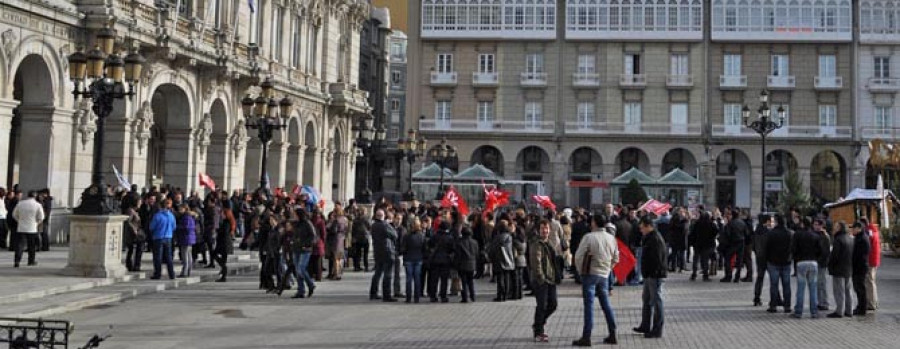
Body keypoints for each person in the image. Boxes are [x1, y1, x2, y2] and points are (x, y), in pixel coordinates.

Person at [572, 214, 619, 347]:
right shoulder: (611, 238)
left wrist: (581, 271)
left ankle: (587, 336)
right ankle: (613, 332)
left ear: (594, 223)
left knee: (589, 306)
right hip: (604, 275)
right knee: (606, 304)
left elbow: (579, 256)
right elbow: (616, 258)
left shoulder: (589, 237)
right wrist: (608, 268)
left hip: (590, 274)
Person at [634, 216, 667, 339]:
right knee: (647, 300)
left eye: (642, 228)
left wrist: (651, 273)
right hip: (648, 275)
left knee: (656, 301)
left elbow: (658, 259)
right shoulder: (648, 237)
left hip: (655, 275)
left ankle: (657, 329)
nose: (641, 230)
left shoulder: (655, 239)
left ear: (648, 226)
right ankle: (645, 325)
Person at [530, 219, 559, 343]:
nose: (545, 231)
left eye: (546, 228)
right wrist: (541, 277)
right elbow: (536, 262)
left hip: (551, 278)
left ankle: (539, 322)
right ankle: (538, 332)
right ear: (538, 230)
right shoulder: (537, 244)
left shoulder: (549, 243)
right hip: (541, 280)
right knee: (541, 305)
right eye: (542, 228)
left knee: (553, 304)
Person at [791, 217, 824, 318]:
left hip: (801, 263)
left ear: (802, 224)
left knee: (800, 288)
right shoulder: (816, 236)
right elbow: (820, 250)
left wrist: (796, 259)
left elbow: (793, 249)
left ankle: (798, 312)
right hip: (813, 263)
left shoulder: (797, 235)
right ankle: (814, 312)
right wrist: (816, 259)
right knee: (813, 288)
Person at [766, 214, 793, 313]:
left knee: (774, 285)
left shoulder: (771, 233)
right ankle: (787, 306)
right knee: (786, 284)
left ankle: (773, 306)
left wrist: (767, 259)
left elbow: (767, 247)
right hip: (786, 262)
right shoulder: (790, 233)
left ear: (777, 222)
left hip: (773, 262)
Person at [369, 209, 398, 302]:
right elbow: (395, 235)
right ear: (383, 216)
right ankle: (387, 295)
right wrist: (389, 224)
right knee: (387, 274)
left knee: (378, 272)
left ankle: (373, 293)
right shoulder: (385, 225)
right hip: (387, 251)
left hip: (377, 251)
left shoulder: (373, 225)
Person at [11, 191, 45, 268]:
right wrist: (37, 223)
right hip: (32, 227)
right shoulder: (37, 205)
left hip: (21, 227)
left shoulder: (20, 204)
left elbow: (14, 214)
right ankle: (31, 261)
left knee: (19, 245)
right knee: (31, 245)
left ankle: (17, 261)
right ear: (35, 196)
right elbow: (41, 217)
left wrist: (19, 220)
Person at [827, 222, 854, 318]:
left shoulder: (838, 240)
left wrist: (830, 265)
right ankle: (849, 310)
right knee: (848, 290)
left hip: (838, 269)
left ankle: (839, 311)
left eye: (836, 226)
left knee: (839, 291)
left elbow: (835, 255)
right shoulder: (850, 238)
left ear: (839, 228)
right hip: (849, 268)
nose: (834, 228)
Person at [291, 210, 318, 299]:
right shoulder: (295, 224)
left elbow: (313, 236)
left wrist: (305, 244)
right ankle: (301, 290)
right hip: (296, 248)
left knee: (301, 268)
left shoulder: (307, 223)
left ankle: (310, 284)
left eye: (295, 214)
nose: (293, 216)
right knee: (297, 270)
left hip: (305, 249)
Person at [149, 199, 176, 280]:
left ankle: (157, 274)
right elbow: (174, 227)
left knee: (158, 257)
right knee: (168, 257)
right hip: (168, 237)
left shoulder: (157, 216)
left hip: (158, 237)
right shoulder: (171, 215)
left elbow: (152, 227)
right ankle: (171, 274)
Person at [401, 216, 426, 303]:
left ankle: (408, 298)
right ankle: (416, 298)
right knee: (417, 279)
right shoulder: (422, 236)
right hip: (418, 259)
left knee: (409, 279)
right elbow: (424, 248)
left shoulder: (407, 236)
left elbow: (403, 249)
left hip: (408, 258)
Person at [490, 221, 515, 302]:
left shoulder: (497, 238)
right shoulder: (509, 237)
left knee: (500, 278)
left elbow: (493, 248)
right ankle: (505, 295)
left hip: (499, 259)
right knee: (507, 278)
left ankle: (500, 295)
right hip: (508, 259)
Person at [720, 209, 748, 283]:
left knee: (728, 259)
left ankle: (728, 276)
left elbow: (727, 234)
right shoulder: (742, 223)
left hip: (732, 243)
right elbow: (746, 233)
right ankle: (737, 277)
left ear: (732, 215)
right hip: (741, 243)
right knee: (739, 261)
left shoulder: (730, 223)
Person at [689, 211, 718, 282]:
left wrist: (692, 242)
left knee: (696, 259)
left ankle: (694, 274)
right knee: (705, 260)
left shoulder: (697, 223)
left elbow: (692, 234)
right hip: (707, 245)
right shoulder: (711, 224)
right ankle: (705, 275)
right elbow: (716, 231)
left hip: (697, 244)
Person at [753, 214, 773, 306]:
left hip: (759, 257)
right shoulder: (768, 232)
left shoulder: (757, 231)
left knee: (759, 278)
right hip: (768, 258)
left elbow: (753, 246)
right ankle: (776, 298)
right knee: (774, 279)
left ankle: (757, 297)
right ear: (767, 221)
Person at [850, 221, 870, 316]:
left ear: (859, 228)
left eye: (854, 228)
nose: (852, 230)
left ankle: (862, 308)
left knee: (860, 288)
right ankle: (860, 306)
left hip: (860, 267)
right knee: (858, 288)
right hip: (858, 267)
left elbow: (860, 255)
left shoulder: (862, 239)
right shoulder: (858, 238)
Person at [455, 226, 479, 303]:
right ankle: (473, 296)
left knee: (464, 282)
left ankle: (465, 297)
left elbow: (458, 255)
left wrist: (456, 264)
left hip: (462, 264)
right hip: (472, 264)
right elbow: (476, 253)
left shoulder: (459, 242)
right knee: (471, 281)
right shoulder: (475, 242)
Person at [813, 218, 831, 311]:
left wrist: (818, 260)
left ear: (821, 225)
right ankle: (819, 302)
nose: (815, 226)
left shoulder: (824, 236)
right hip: (817, 262)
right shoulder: (816, 234)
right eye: (814, 224)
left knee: (821, 283)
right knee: (817, 284)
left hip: (821, 263)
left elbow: (825, 252)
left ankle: (824, 302)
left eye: (817, 225)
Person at [862, 218, 880, 311]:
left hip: (870, 260)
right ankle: (874, 302)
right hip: (875, 259)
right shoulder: (874, 230)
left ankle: (871, 303)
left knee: (869, 282)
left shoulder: (868, 232)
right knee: (872, 281)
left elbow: (866, 245)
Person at [175, 204, 197, 278]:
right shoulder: (189, 216)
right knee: (188, 255)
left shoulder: (186, 217)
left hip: (186, 238)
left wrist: (178, 227)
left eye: (181, 209)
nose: (179, 211)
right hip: (189, 238)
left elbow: (187, 228)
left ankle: (185, 272)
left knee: (185, 256)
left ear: (185, 209)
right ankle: (188, 270)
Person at [123, 202, 145, 272]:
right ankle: (130, 265)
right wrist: (134, 229)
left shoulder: (135, 211)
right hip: (132, 234)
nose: (140, 203)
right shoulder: (130, 211)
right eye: (139, 202)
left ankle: (134, 265)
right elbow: (128, 221)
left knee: (133, 250)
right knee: (131, 250)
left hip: (135, 233)